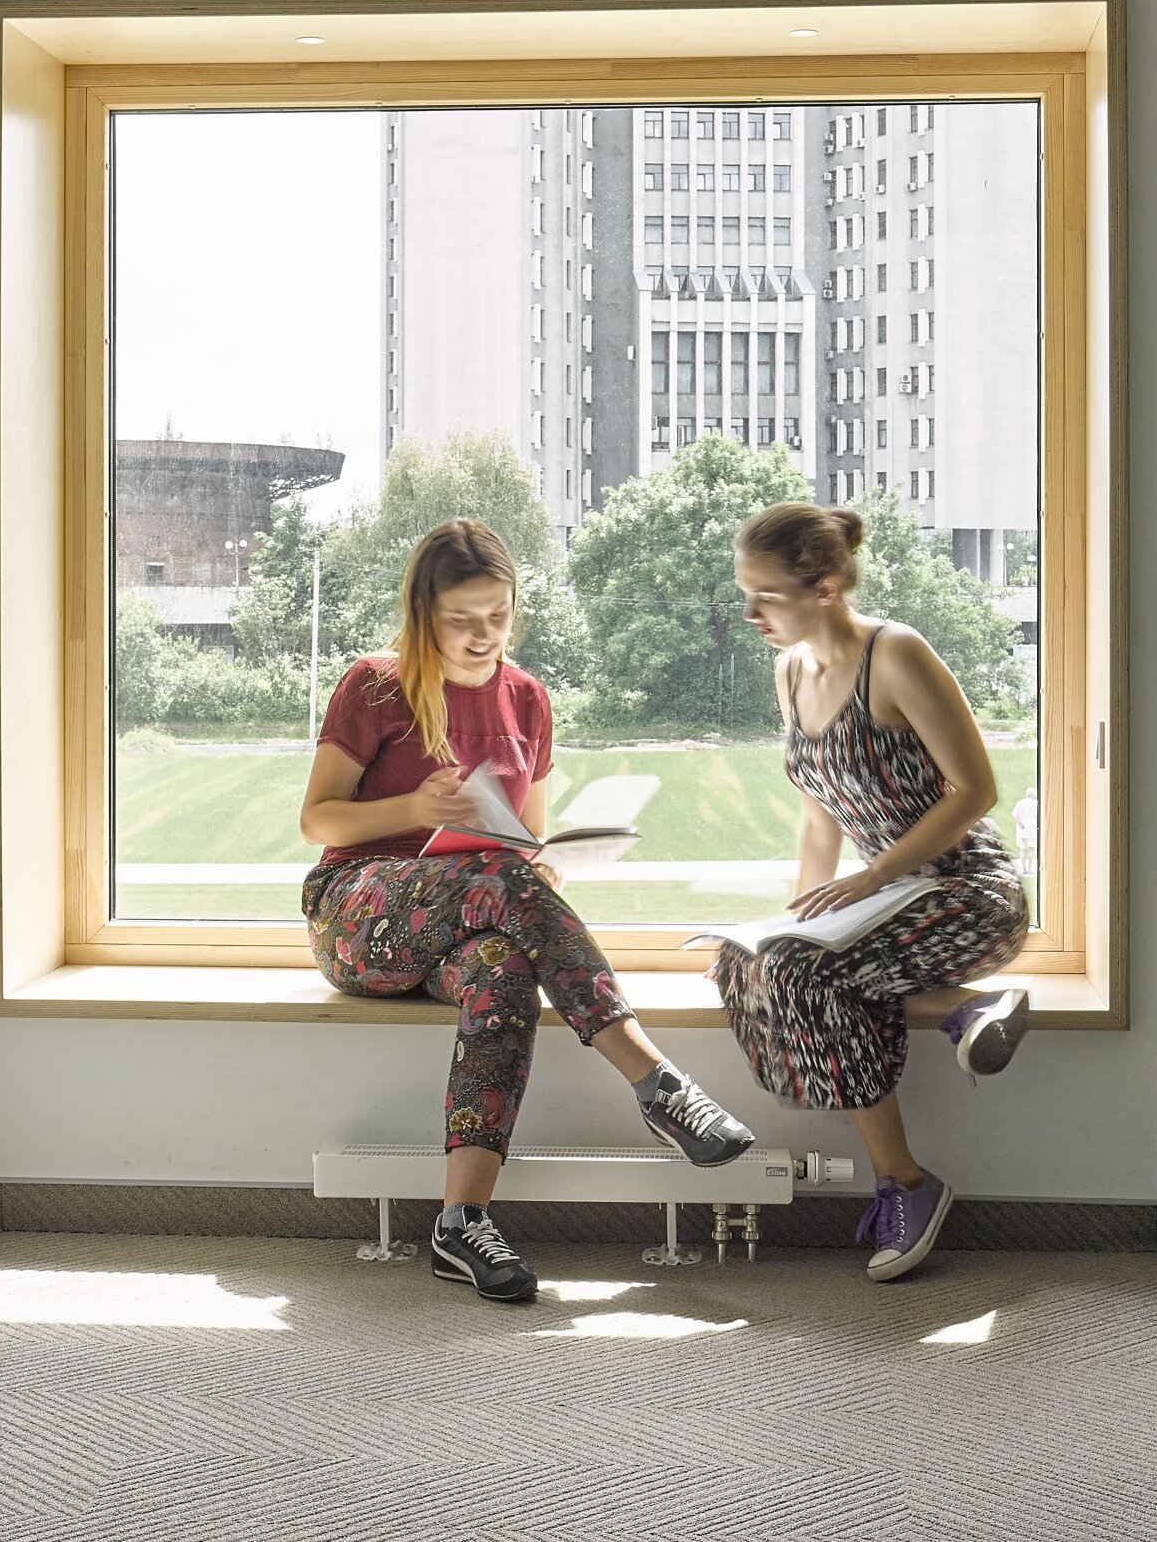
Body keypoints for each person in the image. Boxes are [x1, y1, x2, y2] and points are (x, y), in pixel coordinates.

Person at [298, 519, 755, 1304]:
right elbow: (319, 820)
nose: (483, 636)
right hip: (358, 914)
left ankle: (460, 1220)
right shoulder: (374, 683)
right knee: (498, 881)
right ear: (422, 615)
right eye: (462, 620)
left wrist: (545, 862)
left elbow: (526, 843)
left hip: (473, 914)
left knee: (505, 968)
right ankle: (657, 1082)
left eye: (498, 616)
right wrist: (412, 804)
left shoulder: (528, 699)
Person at [716, 503, 1033, 1282]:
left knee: (807, 977)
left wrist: (875, 874)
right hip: (883, 903)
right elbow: (819, 813)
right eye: (745, 594)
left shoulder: (896, 655)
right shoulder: (792, 670)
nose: (752, 613)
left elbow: (976, 790)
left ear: (825, 586)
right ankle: (963, 1010)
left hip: (966, 891)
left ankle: (908, 1185)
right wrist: (793, 914)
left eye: (768, 596)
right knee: (740, 962)